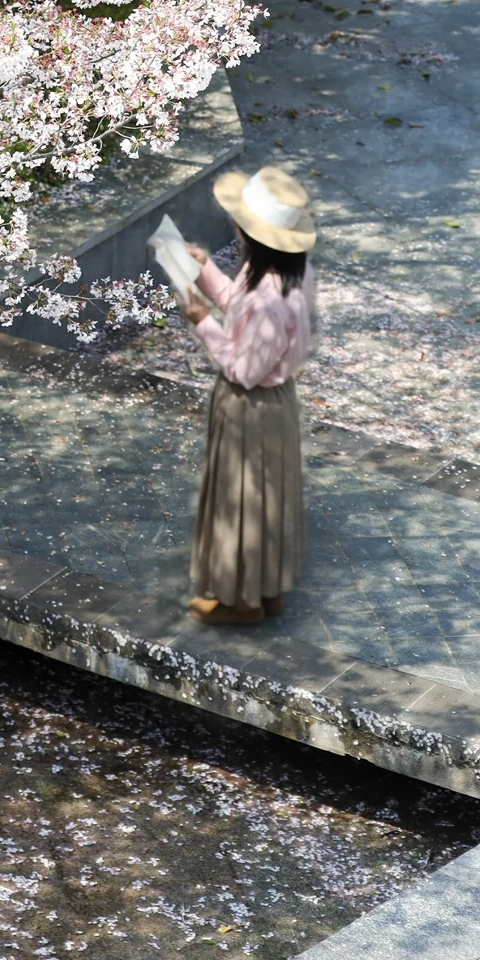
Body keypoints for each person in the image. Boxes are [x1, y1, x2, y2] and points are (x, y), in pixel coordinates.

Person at [179, 164, 316, 626]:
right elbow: (242, 309)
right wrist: (205, 270)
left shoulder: (266, 299)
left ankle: (241, 602)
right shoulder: (287, 273)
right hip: (278, 403)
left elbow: (243, 368)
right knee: (270, 497)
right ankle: (267, 588)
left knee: (241, 497)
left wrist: (203, 324)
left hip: (249, 406)